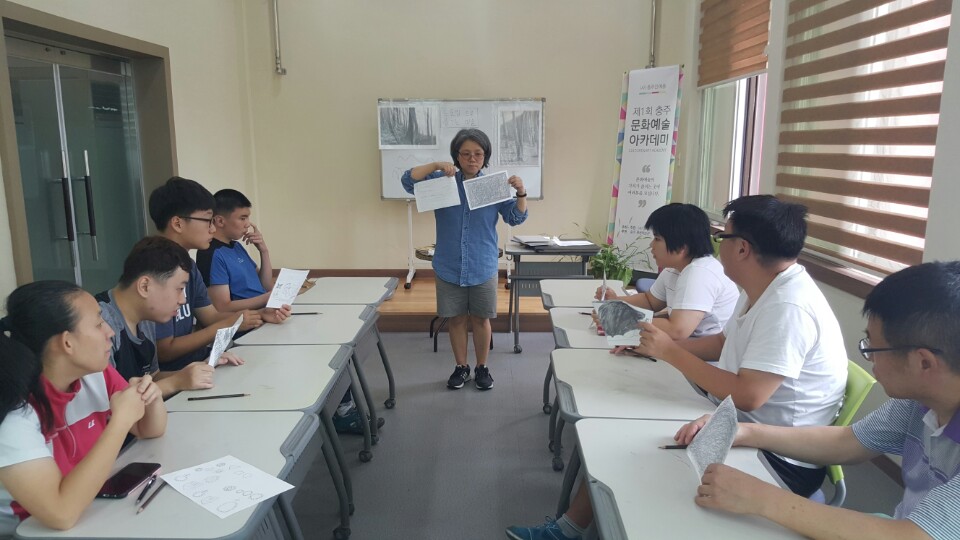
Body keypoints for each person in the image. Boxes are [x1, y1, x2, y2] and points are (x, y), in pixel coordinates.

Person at [508, 195, 847, 540]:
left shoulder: (788, 307)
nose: (718, 247)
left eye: (723, 238)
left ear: (743, 248)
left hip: (779, 455)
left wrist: (670, 351)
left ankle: (574, 528)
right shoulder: (763, 287)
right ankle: (570, 528)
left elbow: (749, 395)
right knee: (619, 434)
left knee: (626, 445)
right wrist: (652, 348)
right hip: (732, 418)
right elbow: (720, 343)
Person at [677, 260, 960, 539]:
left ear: (924, 363)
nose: (870, 357)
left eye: (873, 348)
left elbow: (913, 536)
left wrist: (760, 497)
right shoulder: (918, 403)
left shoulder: (790, 304)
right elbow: (849, 442)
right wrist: (745, 431)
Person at [0, 281, 166, 535]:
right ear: (67, 342)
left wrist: (150, 397)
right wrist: (120, 422)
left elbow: (149, 429)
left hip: (90, 510)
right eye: (99, 324)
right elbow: (61, 514)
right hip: (29, 531)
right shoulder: (14, 418)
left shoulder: (95, 374)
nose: (110, 332)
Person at [401, 129, 528, 390]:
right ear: (457, 156)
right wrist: (436, 165)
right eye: (466, 153)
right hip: (449, 265)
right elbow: (408, 181)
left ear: (485, 156)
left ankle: (482, 367)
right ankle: (461, 367)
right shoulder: (442, 181)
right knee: (456, 319)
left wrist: (521, 193)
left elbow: (515, 218)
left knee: (481, 319)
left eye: (478, 154)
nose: (472, 159)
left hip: (483, 264)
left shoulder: (492, 186)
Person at [148, 177, 291, 372]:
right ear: (178, 223)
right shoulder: (156, 270)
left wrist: (259, 315)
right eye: (207, 221)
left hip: (200, 361)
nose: (213, 228)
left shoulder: (188, 265)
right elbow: (165, 351)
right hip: (176, 374)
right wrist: (230, 324)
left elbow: (211, 316)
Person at [97, 236, 244, 398]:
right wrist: (175, 382)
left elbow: (152, 378)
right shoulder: (100, 325)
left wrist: (198, 370)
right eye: (179, 289)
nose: (183, 300)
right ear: (145, 286)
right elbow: (108, 404)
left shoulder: (144, 316)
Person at [594, 202, 738, 339]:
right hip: (688, 344)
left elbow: (677, 330)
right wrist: (616, 301)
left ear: (681, 247)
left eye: (657, 239)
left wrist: (621, 320)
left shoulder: (700, 273)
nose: (651, 245)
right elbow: (650, 301)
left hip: (706, 352)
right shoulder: (674, 268)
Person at [196, 188, 275, 312]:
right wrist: (268, 298)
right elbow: (222, 307)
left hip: (264, 312)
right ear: (220, 221)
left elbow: (265, 285)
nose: (248, 224)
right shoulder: (211, 253)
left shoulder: (236, 246)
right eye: (243, 218)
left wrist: (264, 251)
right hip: (246, 320)